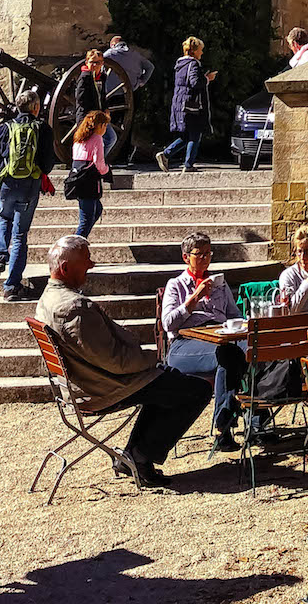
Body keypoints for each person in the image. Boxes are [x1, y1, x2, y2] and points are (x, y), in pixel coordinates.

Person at [37, 234, 210, 487]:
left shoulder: (47, 299)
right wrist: (151, 359)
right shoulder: (73, 307)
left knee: (167, 382)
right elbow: (116, 362)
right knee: (196, 390)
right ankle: (139, 456)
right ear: (65, 269)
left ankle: (135, 455)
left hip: (88, 382)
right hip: (102, 388)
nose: (92, 265)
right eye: (86, 261)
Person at [161, 231, 252, 452]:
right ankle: (226, 426)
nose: (205, 258)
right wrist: (194, 299)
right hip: (185, 345)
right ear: (186, 257)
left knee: (249, 349)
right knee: (228, 354)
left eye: (208, 253)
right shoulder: (176, 285)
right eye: (199, 254)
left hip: (220, 339)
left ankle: (251, 419)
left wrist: (246, 323)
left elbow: (233, 314)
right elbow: (168, 324)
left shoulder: (219, 283)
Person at [0, 87, 56, 301]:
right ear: (36, 107)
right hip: (29, 185)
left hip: (6, 183)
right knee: (20, 235)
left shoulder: (6, 127)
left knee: (4, 218)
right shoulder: (43, 129)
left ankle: (0, 256)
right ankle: (11, 286)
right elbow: (48, 163)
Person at [157, 37, 213, 172]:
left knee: (186, 135)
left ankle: (166, 154)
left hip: (179, 103)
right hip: (191, 104)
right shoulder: (194, 64)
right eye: (200, 50)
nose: (202, 53)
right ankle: (188, 165)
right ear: (194, 51)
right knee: (195, 133)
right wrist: (207, 79)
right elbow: (194, 82)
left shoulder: (180, 64)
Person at [69, 109, 111, 239]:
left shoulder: (79, 138)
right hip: (89, 181)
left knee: (97, 209)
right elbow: (98, 162)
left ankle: (80, 240)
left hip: (77, 178)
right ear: (101, 125)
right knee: (86, 220)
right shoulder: (97, 139)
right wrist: (107, 170)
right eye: (105, 126)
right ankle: (75, 245)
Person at [73, 47, 117, 158]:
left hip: (100, 116)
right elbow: (81, 99)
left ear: (102, 63)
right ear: (86, 62)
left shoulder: (102, 77)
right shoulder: (84, 78)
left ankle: (98, 160)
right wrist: (92, 116)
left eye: (97, 63)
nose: (94, 65)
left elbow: (102, 96)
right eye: (92, 62)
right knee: (89, 143)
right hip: (88, 118)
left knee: (111, 138)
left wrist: (105, 108)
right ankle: (93, 163)